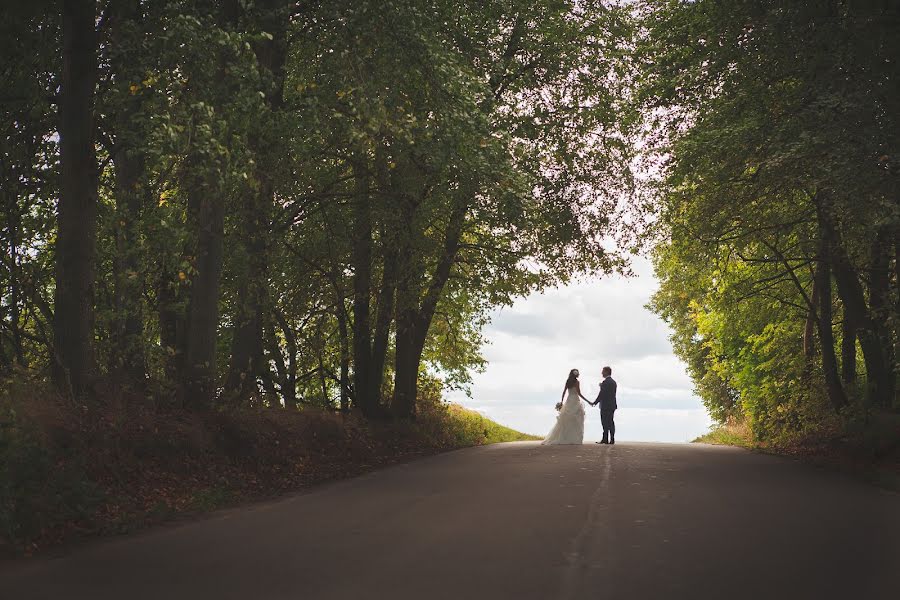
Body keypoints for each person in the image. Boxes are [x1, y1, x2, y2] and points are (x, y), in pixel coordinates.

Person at [542, 369, 590, 445]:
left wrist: (561, 402)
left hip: (569, 400)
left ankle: (566, 437)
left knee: (565, 420)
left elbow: (564, 392)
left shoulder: (568, 381)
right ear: (576, 375)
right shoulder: (577, 382)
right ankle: (574, 438)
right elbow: (579, 393)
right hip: (575, 401)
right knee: (576, 420)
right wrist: (588, 401)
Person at [592, 366, 617, 444]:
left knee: (605, 422)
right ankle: (612, 439)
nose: (602, 373)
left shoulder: (605, 382)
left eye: (603, 371)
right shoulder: (613, 382)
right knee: (611, 422)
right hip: (612, 405)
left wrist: (594, 402)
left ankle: (605, 439)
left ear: (606, 372)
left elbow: (602, 394)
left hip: (605, 405)